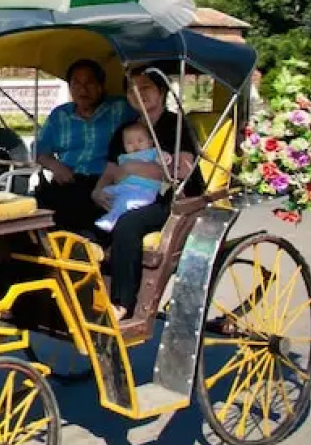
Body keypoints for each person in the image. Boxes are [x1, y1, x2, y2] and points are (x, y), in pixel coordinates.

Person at [96, 67, 202, 320]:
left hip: (173, 199)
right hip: (128, 194)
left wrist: (133, 167)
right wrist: (98, 191)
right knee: (76, 215)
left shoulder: (176, 125)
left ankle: (123, 302)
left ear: (161, 91)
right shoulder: (127, 130)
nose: (138, 94)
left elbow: (180, 170)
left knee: (128, 225)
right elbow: (111, 170)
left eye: (146, 88)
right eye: (132, 89)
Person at [32, 59, 131, 231]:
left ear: (101, 85)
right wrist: (55, 165)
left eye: (89, 83)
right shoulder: (60, 115)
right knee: (32, 210)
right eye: (76, 83)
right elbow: (39, 149)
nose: (82, 89)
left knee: (76, 213)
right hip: (67, 179)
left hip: (103, 182)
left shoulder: (121, 108)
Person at [92, 122, 163, 231]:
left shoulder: (153, 152)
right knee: (106, 193)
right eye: (129, 143)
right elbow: (113, 171)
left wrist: (164, 158)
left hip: (143, 189)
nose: (135, 145)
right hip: (125, 187)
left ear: (151, 142)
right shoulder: (124, 157)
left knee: (126, 203)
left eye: (140, 141)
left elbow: (163, 161)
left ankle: (111, 221)